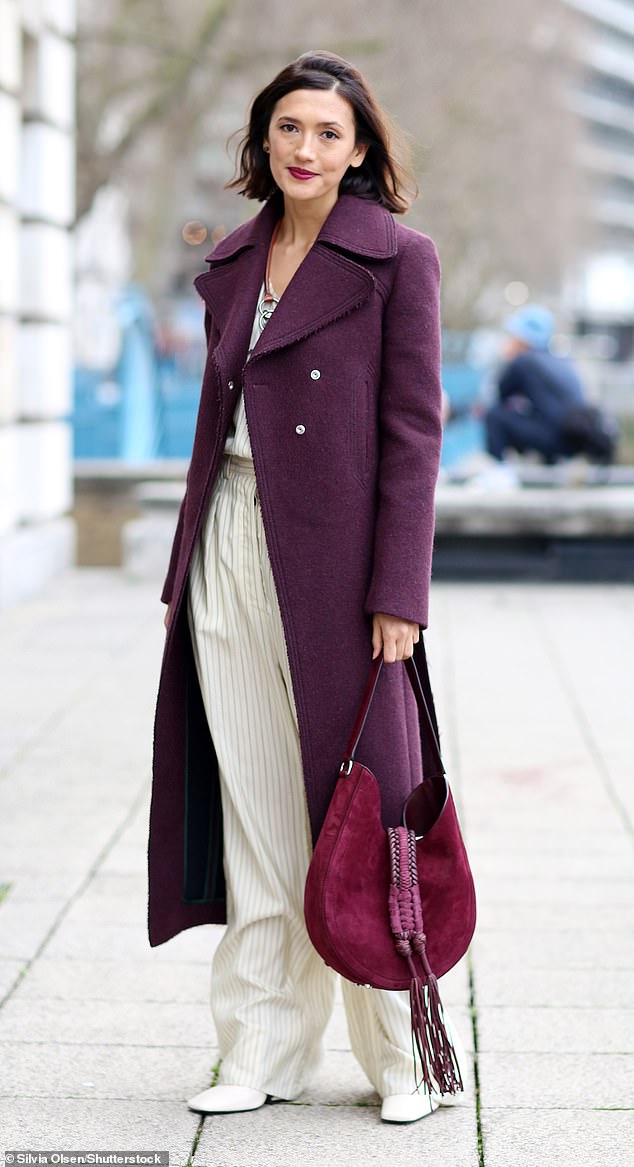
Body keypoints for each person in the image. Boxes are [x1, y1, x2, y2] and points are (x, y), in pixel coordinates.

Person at [147, 50, 459, 1126]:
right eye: (289, 128)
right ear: (262, 140)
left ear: (360, 148)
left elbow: (415, 433)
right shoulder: (233, 262)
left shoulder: (397, 260)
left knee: (365, 807)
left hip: (340, 568)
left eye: (329, 133)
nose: (306, 149)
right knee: (256, 814)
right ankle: (262, 1047)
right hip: (229, 545)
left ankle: (403, 1056)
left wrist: (399, 591)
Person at [484, 304, 611, 465]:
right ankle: (551, 463)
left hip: (556, 439)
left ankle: (498, 471)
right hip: (574, 439)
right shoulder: (561, 360)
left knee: (494, 415)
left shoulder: (524, 361)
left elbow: (501, 394)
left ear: (522, 338)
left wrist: (508, 359)